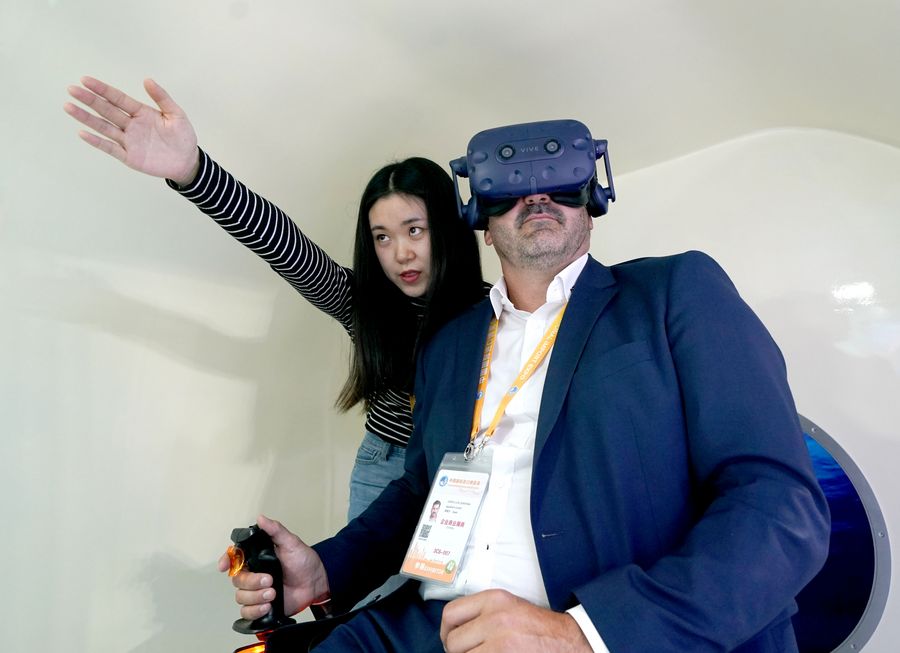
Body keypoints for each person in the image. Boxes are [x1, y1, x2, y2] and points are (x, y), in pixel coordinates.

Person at [221, 120, 831, 652]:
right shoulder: (450, 345)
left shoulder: (673, 293)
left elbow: (780, 507)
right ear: (481, 221)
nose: (536, 194)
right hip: (430, 627)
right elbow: (419, 491)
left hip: (596, 628)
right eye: (509, 186)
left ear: (592, 196)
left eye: (560, 178)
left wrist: (586, 634)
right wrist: (324, 569)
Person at [63, 77, 486, 520]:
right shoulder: (364, 303)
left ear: (448, 227)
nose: (401, 253)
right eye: (382, 237)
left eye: (414, 230)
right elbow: (283, 245)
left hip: (462, 468)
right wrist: (193, 172)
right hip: (385, 466)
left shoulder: (498, 310)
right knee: (367, 569)